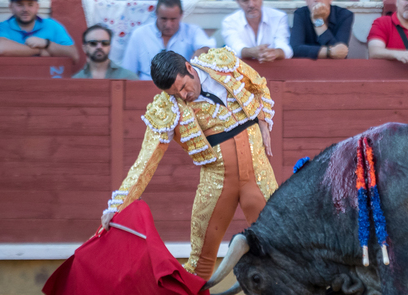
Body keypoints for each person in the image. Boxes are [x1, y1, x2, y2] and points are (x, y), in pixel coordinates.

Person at [102, 46, 279, 279]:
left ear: (189, 68)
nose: (183, 96)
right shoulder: (167, 108)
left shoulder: (222, 63)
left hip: (259, 174)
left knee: (282, 249)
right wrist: (118, 206)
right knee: (200, 263)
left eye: (184, 87)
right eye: (175, 93)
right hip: (217, 183)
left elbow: (258, 85)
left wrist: (264, 121)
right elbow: (145, 162)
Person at [123, 0, 215, 78]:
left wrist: (195, 61)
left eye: (173, 19)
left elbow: (208, 49)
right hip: (146, 88)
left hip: (181, 90)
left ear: (181, 15)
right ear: (156, 14)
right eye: (164, 19)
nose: (168, 25)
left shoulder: (193, 31)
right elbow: (128, 71)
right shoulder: (139, 34)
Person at [0, 0, 80, 62]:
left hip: (47, 79)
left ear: (37, 7)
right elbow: (1, 49)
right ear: (11, 7)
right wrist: (40, 51)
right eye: (20, 5)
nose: (25, 9)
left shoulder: (52, 25)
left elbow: (74, 56)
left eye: (30, 5)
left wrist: (46, 43)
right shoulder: (3, 26)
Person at [220, 0, 292, 60]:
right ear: (237, 1)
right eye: (245, 0)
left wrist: (275, 53)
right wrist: (252, 52)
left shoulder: (279, 17)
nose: (251, 5)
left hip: (272, 68)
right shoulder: (229, 22)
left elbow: (285, 48)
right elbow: (235, 48)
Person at [289, 0, 353, 59]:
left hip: (334, 69)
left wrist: (318, 22)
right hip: (306, 68)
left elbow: (340, 52)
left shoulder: (344, 15)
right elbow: (295, 49)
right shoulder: (300, 14)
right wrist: (329, 52)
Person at [72, 23, 139, 78]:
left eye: (105, 43)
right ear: (85, 48)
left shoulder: (128, 77)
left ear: (110, 46)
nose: (99, 47)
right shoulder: (77, 79)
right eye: (93, 43)